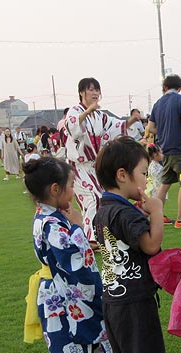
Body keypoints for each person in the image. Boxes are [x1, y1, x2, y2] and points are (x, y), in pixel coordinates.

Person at [92, 137, 181, 353]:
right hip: (135, 300)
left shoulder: (103, 211)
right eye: (144, 173)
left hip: (113, 296)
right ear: (123, 175)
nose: (146, 180)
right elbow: (151, 244)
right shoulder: (126, 213)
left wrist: (145, 215)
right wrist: (158, 212)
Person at [23, 157, 117, 353]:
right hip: (60, 290)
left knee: (90, 327)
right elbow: (73, 257)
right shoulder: (50, 223)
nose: (74, 191)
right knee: (66, 337)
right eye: (71, 185)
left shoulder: (50, 216)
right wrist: (77, 225)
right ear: (55, 190)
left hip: (67, 288)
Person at [64, 77, 140, 241]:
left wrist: (132, 119)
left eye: (97, 90)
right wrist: (88, 111)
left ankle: (100, 233)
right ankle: (91, 238)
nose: (94, 93)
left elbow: (116, 126)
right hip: (78, 166)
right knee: (92, 198)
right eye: (90, 89)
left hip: (94, 166)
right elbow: (73, 126)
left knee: (103, 198)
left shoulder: (100, 116)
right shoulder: (75, 111)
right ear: (81, 93)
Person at [146, 74, 181, 228]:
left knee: (165, 183)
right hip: (180, 147)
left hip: (165, 149)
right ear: (179, 88)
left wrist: (162, 132)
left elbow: (150, 128)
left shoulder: (158, 103)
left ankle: (159, 216)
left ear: (165, 87)